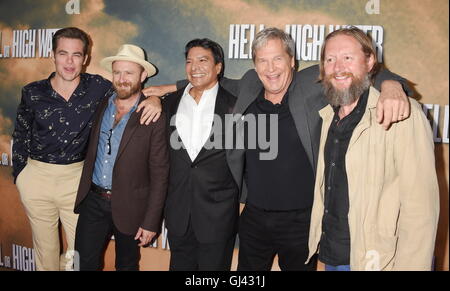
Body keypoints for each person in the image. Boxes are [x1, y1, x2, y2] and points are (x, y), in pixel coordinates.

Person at [143, 28, 411, 271]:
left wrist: (391, 85)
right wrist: (163, 92)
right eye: (262, 60)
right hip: (254, 218)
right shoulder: (250, 84)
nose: (270, 68)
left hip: (301, 220)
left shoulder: (310, 83)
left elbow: (360, 70)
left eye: (277, 59)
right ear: (255, 65)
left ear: (292, 60)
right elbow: (210, 80)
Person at [11, 27, 160, 271]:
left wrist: (155, 98)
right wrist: (21, 175)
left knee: (76, 258)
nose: (69, 62)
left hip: (76, 180)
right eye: (63, 53)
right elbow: (20, 134)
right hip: (36, 178)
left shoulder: (99, 87)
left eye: (76, 55)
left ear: (85, 58)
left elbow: (131, 91)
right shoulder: (32, 92)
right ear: (53, 55)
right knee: (45, 253)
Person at [306, 27, 439, 271]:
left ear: (369, 62)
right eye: (330, 59)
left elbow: (421, 211)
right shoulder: (328, 116)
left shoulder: (403, 114)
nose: (338, 67)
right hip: (333, 255)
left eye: (348, 57)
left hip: (378, 261)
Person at [73, 44, 169, 271]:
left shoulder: (153, 114)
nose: (122, 79)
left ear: (143, 75)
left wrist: (150, 221)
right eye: (117, 72)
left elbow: (160, 173)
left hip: (131, 205)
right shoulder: (100, 103)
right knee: (80, 264)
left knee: (126, 266)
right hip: (93, 201)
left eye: (129, 73)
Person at [163, 39, 239, 271]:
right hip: (178, 214)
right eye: (189, 61)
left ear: (218, 67)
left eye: (202, 60)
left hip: (218, 216)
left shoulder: (235, 107)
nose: (194, 67)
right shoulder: (168, 104)